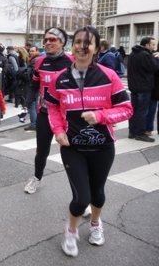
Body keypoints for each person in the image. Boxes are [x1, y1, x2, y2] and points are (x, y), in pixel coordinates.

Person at [45, 25, 133, 257]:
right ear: (72, 46)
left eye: (88, 43)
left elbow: (126, 109)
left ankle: (95, 224)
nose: (82, 47)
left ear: (96, 48)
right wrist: (58, 130)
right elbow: (52, 106)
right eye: (78, 42)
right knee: (81, 197)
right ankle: (71, 231)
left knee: (98, 194)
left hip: (103, 147)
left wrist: (100, 116)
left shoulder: (109, 76)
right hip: (72, 147)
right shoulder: (60, 79)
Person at [23, 27, 74, 194]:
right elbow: (34, 84)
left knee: (72, 155)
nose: (47, 42)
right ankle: (37, 178)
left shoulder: (72, 61)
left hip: (67, 116)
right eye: (45, 40)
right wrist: (28, 101)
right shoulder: (39, 61)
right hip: (45, 113)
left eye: (52, 39)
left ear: (62, 42)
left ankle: (80, 193)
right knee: (41, 151)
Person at [127, 36, 159, 142]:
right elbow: (154, 68)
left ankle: (132, 131)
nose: (154, 47)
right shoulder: (145, 55)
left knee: (134, 110)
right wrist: (155, 58)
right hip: (144, 87)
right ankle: (140, 133)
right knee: (142, 111)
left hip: (134, 87)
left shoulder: (132, 54)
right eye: (152, 44)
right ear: (146, 45)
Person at [24, 46, 41, 131]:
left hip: (34, 85)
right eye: (30, 51)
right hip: (35, 85)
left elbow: (35, 74)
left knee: (32, 104)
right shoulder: (35, 59)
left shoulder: (35, 60)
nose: (31, 52)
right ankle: (35, 123)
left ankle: (34, 124)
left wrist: (27, 72)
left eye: (33, 51)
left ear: (37, 51)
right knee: (34, 104)